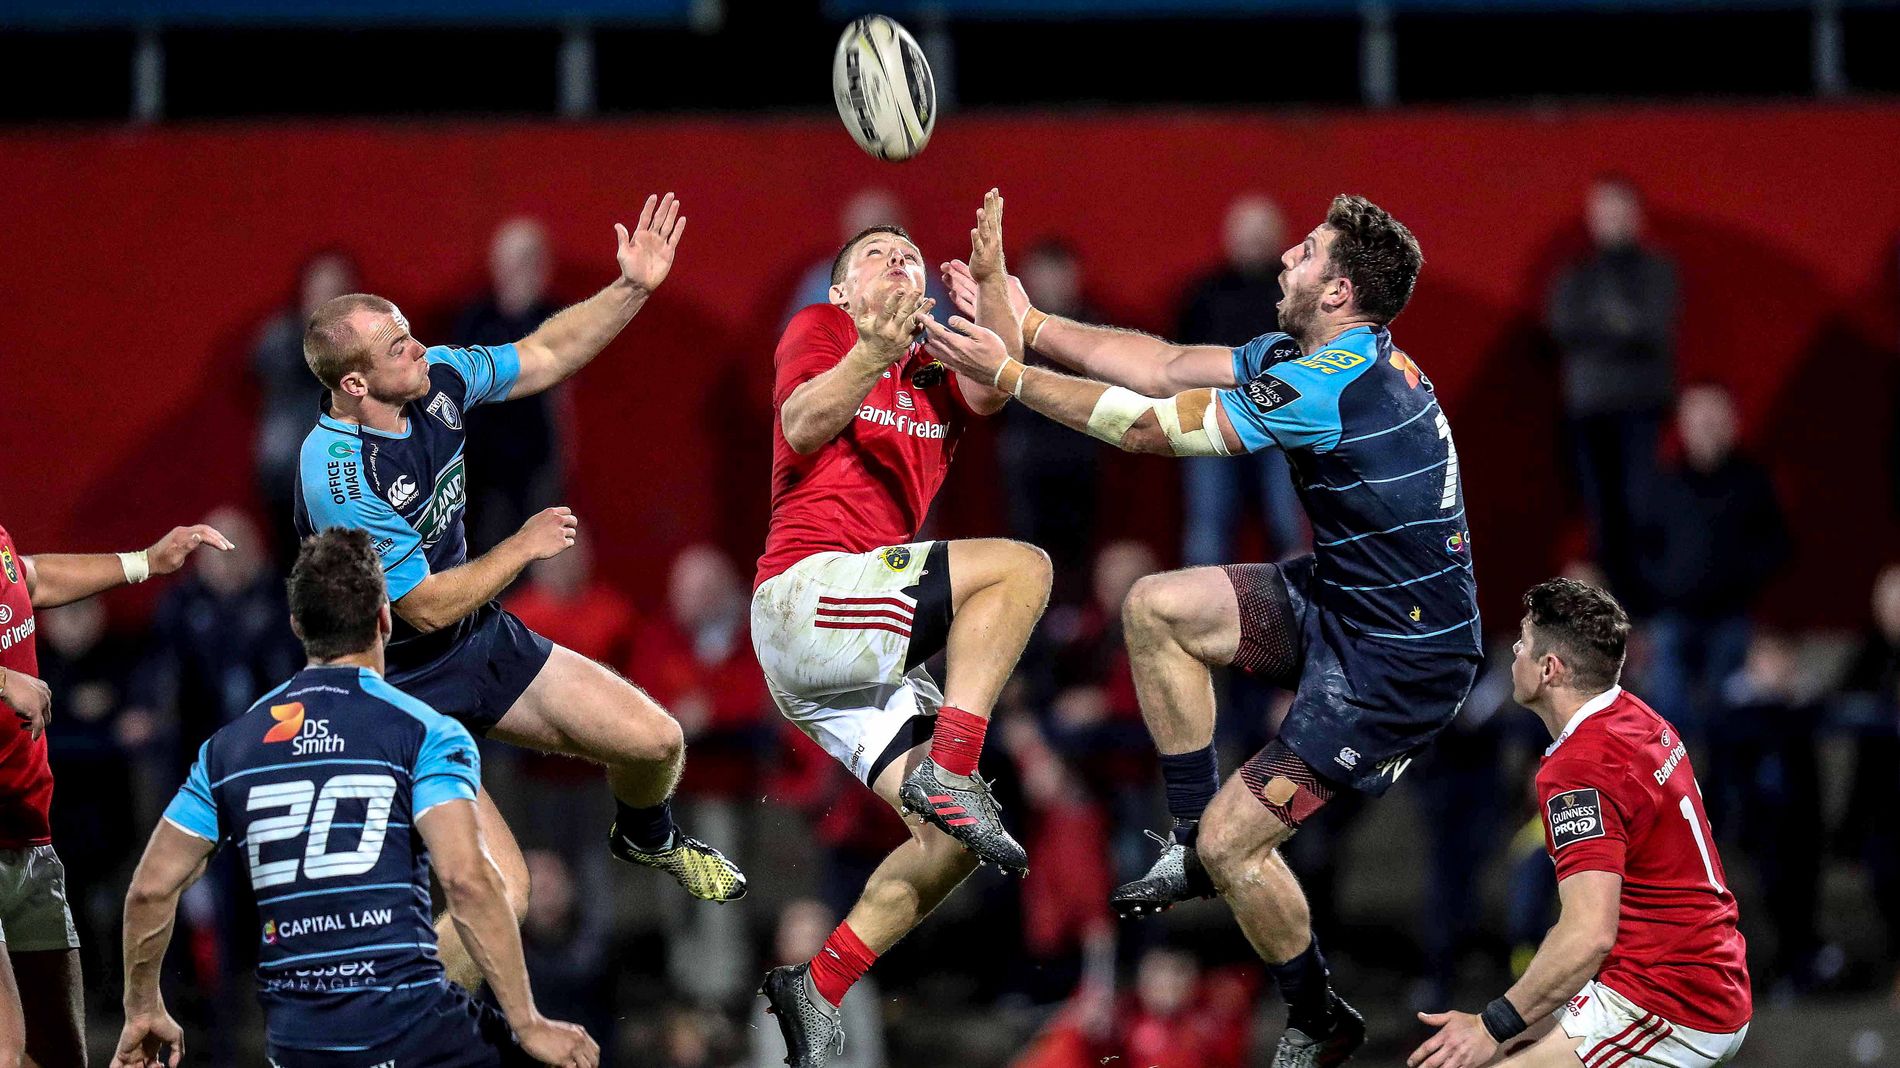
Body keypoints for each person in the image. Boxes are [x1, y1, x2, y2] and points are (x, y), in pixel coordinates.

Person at [931, 192, 1480, 1065]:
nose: (1285, 259)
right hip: (1348, 601)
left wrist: (1009, 376)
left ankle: (1318, 1015)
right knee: (1155, 606)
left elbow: (1150, 429)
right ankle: (1187, 839)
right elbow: (1162, 366)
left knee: (1239, 848)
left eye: (1306, 252)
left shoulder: (1324, 385)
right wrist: (1029, 324)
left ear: (1338, 291)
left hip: (1399, 666)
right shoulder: (1320, 355)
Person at [293, 193, 746, 993]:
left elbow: (544, 352)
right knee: (504, 892)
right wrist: (522, 548)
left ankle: (645, 835)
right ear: (355, 383)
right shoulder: (336, 474)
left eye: (409, 330)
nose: (420, 347)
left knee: (657, 743)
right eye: (398, 346)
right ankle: (395, 1021)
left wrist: (632, 288)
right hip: (393, 688)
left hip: (472, 641)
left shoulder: (433, 380)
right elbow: (423, 605)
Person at [751, 190, 1052, 1067]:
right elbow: (802, 421)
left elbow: (996, 385)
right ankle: (953, 764)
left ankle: (818, 986)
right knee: (1023, 568)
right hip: (807, 595)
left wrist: (991, 282)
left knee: (950, 845)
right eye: (877, 254)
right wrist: (871, 351)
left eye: (910, 256)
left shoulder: (934, 367)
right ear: (842, 290)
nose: (899, 260)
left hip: (850, 646)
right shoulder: (821, 328)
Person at [109, 529, 598, 1068]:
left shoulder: (230, 748)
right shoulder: (425, 732)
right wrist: (528, 1023)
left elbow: (150, 890)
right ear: (385, 619)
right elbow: (470, 882)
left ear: (297, 626)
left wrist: (142, 1007)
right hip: (411, 1030)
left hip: (298, 1043)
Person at [1410, 578, 1750, 1068]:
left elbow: (1590, 932)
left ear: (1549, 669)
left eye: (1523, 641)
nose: (1514, 652)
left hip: (1668, 1000)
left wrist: (1491, 1025)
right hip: (1696, 971)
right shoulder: (1638, 717)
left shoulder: (1580, 769)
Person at [0, 518, 233, 1067]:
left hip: (27, 828)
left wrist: (145, 561)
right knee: (6, 1048)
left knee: (56, 1051)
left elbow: (29, 579)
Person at [1546, 176, 1679, 598]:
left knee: (1643, 509)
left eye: (1620, 210)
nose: (1612, 220)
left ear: (1637, 215)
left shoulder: (1658, 270)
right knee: (1600, 514)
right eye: (1603, 211)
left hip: (1644, 407)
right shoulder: (1575, 274)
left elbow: (1651, 327)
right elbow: (1561, 327)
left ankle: (1646, 604)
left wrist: (1598, 329)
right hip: (1587, 410)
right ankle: (1610, 606)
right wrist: (1619, 326)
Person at [1176, 194, 1304, 566]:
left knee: (1289, 524)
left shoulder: (1297, 294)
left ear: (1280, 236)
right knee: (1208, 525)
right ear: (1229, 236)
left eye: (1262, 232)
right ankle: (1202, 600)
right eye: (1247, 233)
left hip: (1283, 425)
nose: (1254, 241)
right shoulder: (1203, 294)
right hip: (1214, 421)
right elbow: (1178, 360)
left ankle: (1298, 599)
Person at [454, 218, 568, 556]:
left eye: (532, 261)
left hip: (537, 464)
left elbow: (564, 397)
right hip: (481, 467)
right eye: (516, 261)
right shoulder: (475, 320)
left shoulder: (557, 319)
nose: (523, 271)